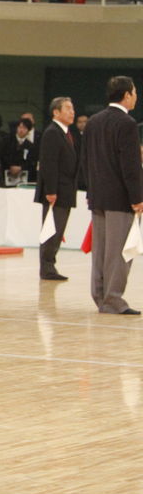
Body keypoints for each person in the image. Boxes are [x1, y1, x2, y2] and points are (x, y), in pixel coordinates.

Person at [83, 76, 143, 315]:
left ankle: (100, 295)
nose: (136, 97)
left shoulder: (93, 122)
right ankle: (113, 299)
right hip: (120, 198)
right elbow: (130, 165)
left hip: (98, 196)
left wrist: (91, 191)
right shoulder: (126, 124)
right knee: (118, 251)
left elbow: (85, 160)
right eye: (135, 92)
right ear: (126, 95)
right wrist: (137, 197)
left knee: (101, 250)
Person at [35, 97, 78, 282]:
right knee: (51, 230)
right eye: (67, 108)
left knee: (58, 230)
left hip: (66, 190)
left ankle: (50, 265)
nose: (72, 112)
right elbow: (49, 164)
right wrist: (50, 191)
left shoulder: (66, 133)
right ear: (56, 112)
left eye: (72, 108)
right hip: (56, 191)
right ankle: (47, 267)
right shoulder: (52, 132)